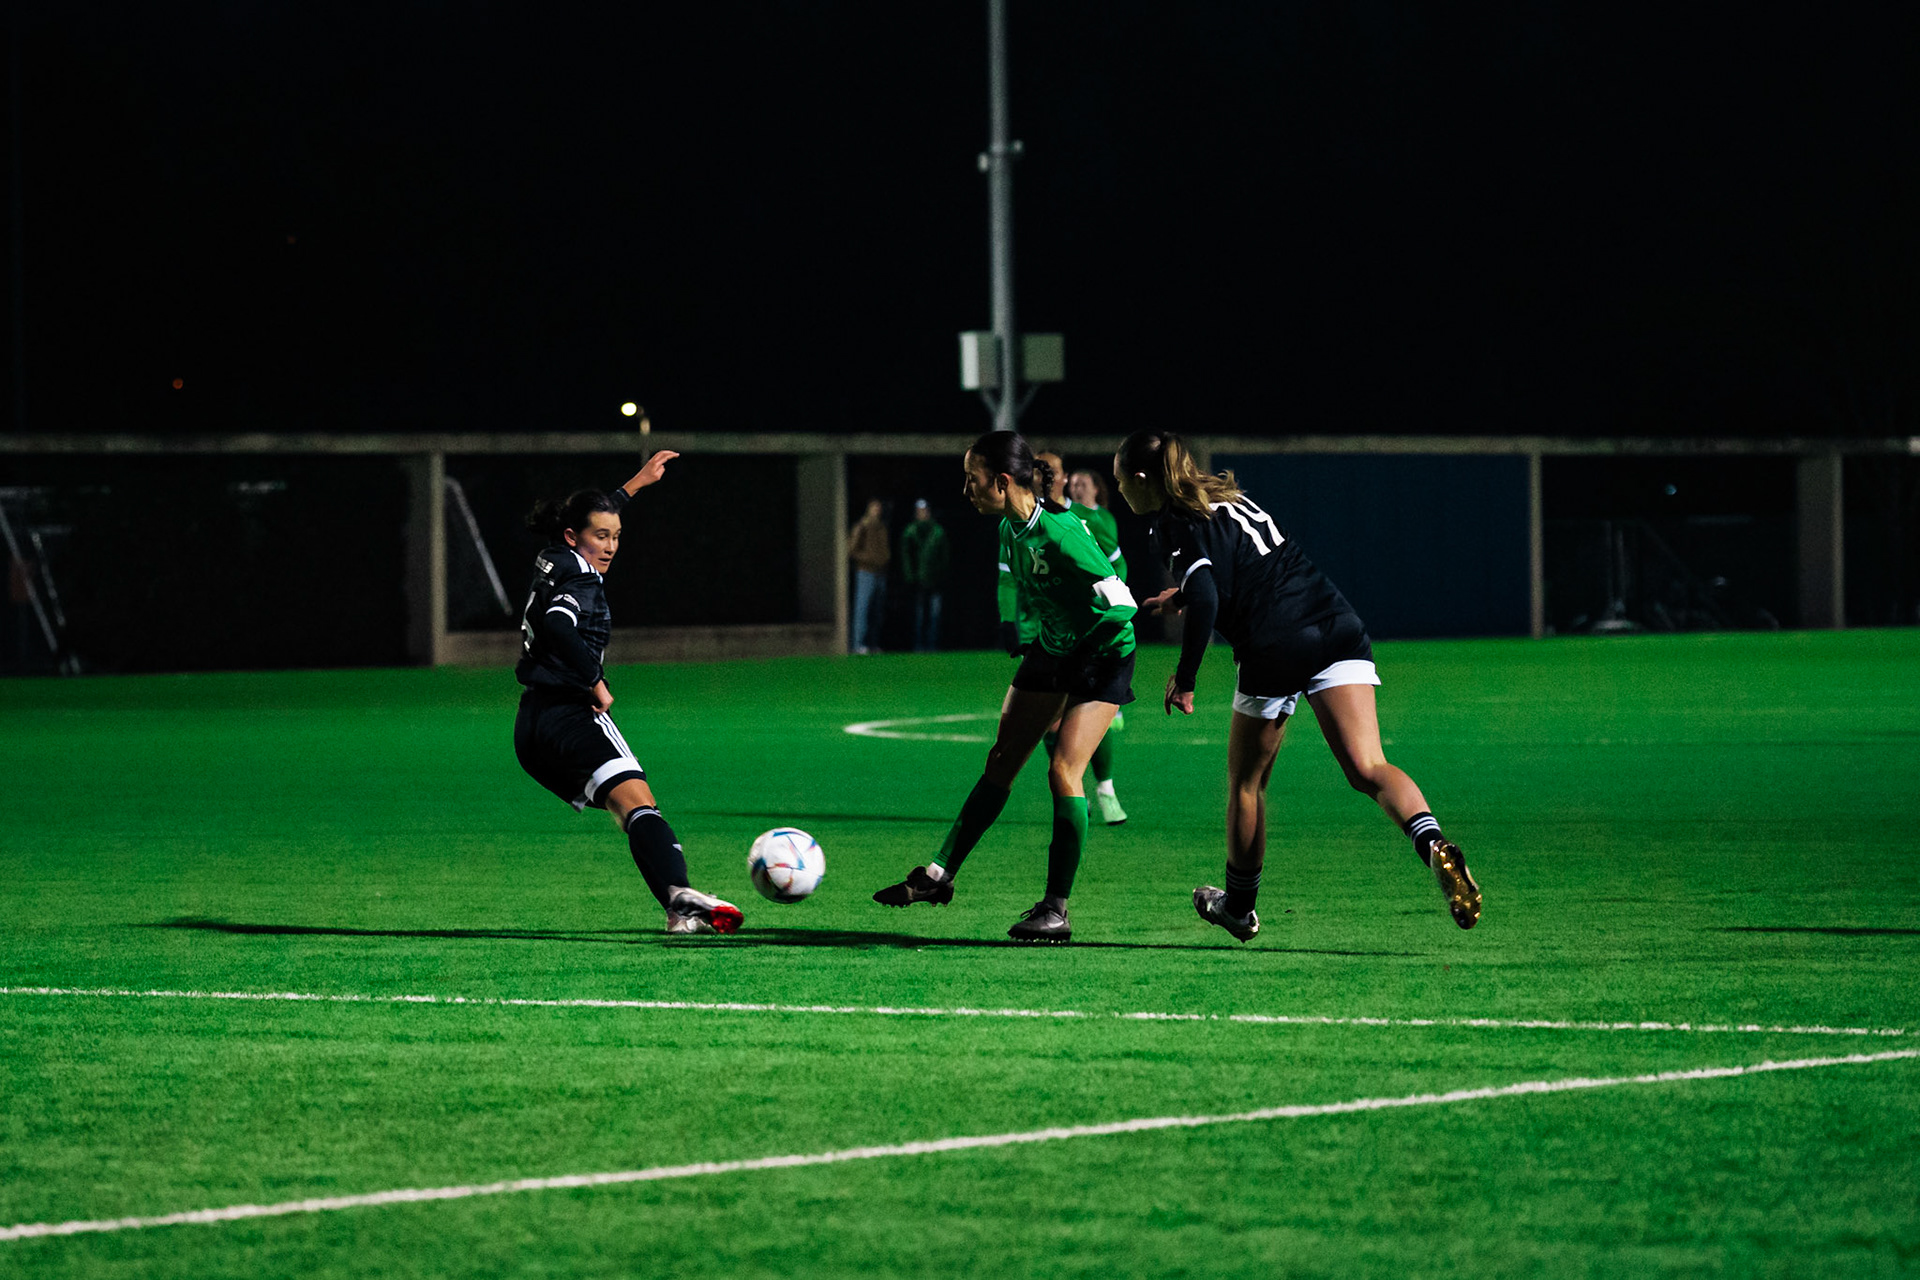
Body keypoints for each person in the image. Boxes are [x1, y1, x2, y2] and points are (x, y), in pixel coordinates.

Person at [1112, 428, 1480, 940]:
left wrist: (1186, 677)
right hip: (1334, 620)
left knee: (1247, 784)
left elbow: (1210, 597)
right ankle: (1433, 843)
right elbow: (1239, 569)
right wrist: (1184, 596)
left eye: (1121, 481)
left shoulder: (1173, 522)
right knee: (1369, 767)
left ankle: (1239, 907)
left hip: (1275, 643)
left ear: (1142, 478)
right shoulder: (1224, 495)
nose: (1120, 491)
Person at [874, 432, 1138, 943]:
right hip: (1054, 648)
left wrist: (1078, 654)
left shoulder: (1063, 534)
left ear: (1000, 481)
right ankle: (937, 877)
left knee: (1063, 771)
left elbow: (1122, 605)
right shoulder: (1008, 529)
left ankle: (1056, 910)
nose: (965, 490)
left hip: (1102, 656)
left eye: (971, 479)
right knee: (1001, 761)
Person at [513, 450, 743, 935]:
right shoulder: (582, 576)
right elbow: (558, 623)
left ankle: (678, 909)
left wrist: (634, 485)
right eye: (602, 536)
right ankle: (679, 896)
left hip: (532, 728)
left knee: (626, 809)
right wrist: (594, 680)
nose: (612, 546)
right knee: (640, 805)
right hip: (572, 713)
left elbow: (593, 517)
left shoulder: (555, 557)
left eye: (617, 536)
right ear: (574, 536)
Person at [1066, 468, 1131, 825]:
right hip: (1060, 622)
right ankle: (1072, 791)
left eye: (1082, 483)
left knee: (1093, 707)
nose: (1074, 487)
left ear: (1096, 489)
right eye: (1072, 483)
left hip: (1093, 620)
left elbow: (1116, 563)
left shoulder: (1098, 519)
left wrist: (1114, 597)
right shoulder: (1055, 516)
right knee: (1054, 719)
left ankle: (1105, 790)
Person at [898, 499, 950, 652]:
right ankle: (919, 645)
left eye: (925, 511)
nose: (922, 514)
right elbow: (906, 557)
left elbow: (944, 557)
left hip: (935, 581)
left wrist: (941, 576)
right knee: (919, 615)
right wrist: (911, 577)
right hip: (918, 582)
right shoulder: (910, 532)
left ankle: (932, 645)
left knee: (934, 615)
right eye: (919, 511)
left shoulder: (938, 532)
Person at [848, 498, 891, 654]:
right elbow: (851, 549)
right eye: (874, 507)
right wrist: (868, 559)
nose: (876, 510)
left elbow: (885, 549)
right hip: (866, 572)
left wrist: (884, 559)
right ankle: (858, 644)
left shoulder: (882, 527)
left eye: (878, 508)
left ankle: (873, 643)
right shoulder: (862, 526)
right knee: (862, 608)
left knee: (877, 611)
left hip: (880, 572)